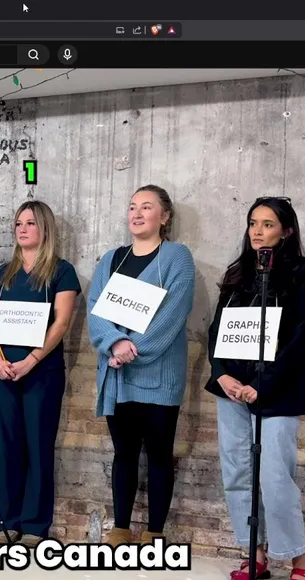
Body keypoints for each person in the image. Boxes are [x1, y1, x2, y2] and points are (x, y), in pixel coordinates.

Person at [205, 196, 305, 580]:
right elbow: (217, 330)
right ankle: (252, 552)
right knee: (238, 471)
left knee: (274, 475)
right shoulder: (238, 272)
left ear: (286, 231)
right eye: (253, 223)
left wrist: (264, 384)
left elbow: (300, 335)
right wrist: (221, 375)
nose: (257, 231)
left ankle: (299, 559)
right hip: (232, 388)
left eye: (267, 224)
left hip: (279, 388)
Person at [86, 185, 195, 546]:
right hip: (117, 374)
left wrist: (132, 350)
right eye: (132, 206)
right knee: (124, 454)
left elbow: (173, 313)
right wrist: (114, 343)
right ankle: (120, 527)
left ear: (164, 217)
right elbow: (95, 308)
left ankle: (154, 532)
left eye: (147, 207)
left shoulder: (177, 257)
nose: (137, 213)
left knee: (160, 455)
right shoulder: (111, 259)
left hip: (159, 374)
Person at [0, 200, 80, 546]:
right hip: (3, 371)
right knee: (7, 445)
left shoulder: (61, 271)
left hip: (42, 371)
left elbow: (62, 323)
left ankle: (36, 525)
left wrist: (32, 360)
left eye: (30, 223)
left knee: (38, 446)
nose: (22, 229)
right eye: (18, 224)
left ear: (45, 229)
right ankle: (7, 520)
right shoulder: (2, 273)